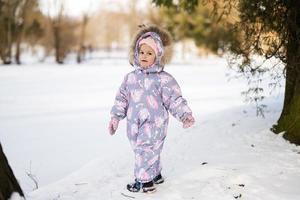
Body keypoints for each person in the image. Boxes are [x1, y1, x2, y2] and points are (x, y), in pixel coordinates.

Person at [108, 25, 195, 193]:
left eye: (149, 53)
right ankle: (155, 174)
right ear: (136, 53)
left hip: (155, 124)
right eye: (142, 52)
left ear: (158, 55)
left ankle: (144, 181)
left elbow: (175, 99)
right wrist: (115, 117)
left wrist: (185, 115)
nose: (144, 56)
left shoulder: (163, 80)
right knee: (144, 149)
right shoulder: (130, 78)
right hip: (134, 124)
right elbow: (122, 98)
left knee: (144, 149)